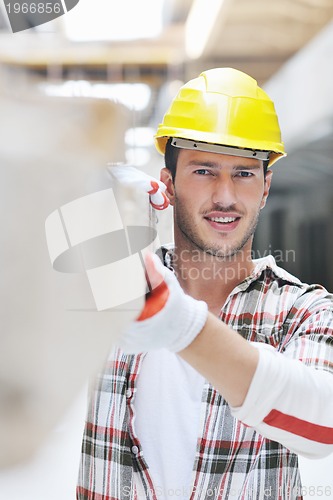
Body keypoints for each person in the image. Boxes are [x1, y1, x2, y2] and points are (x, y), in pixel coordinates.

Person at [76, 68, 333, 500]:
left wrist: (177, 322)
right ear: (169, 184)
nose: (226, 196)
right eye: (205, 171)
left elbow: (322, 426)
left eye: (245, 173)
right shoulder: (112, 288)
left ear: (266, 187)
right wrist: (88, 198)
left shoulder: (303, 310)